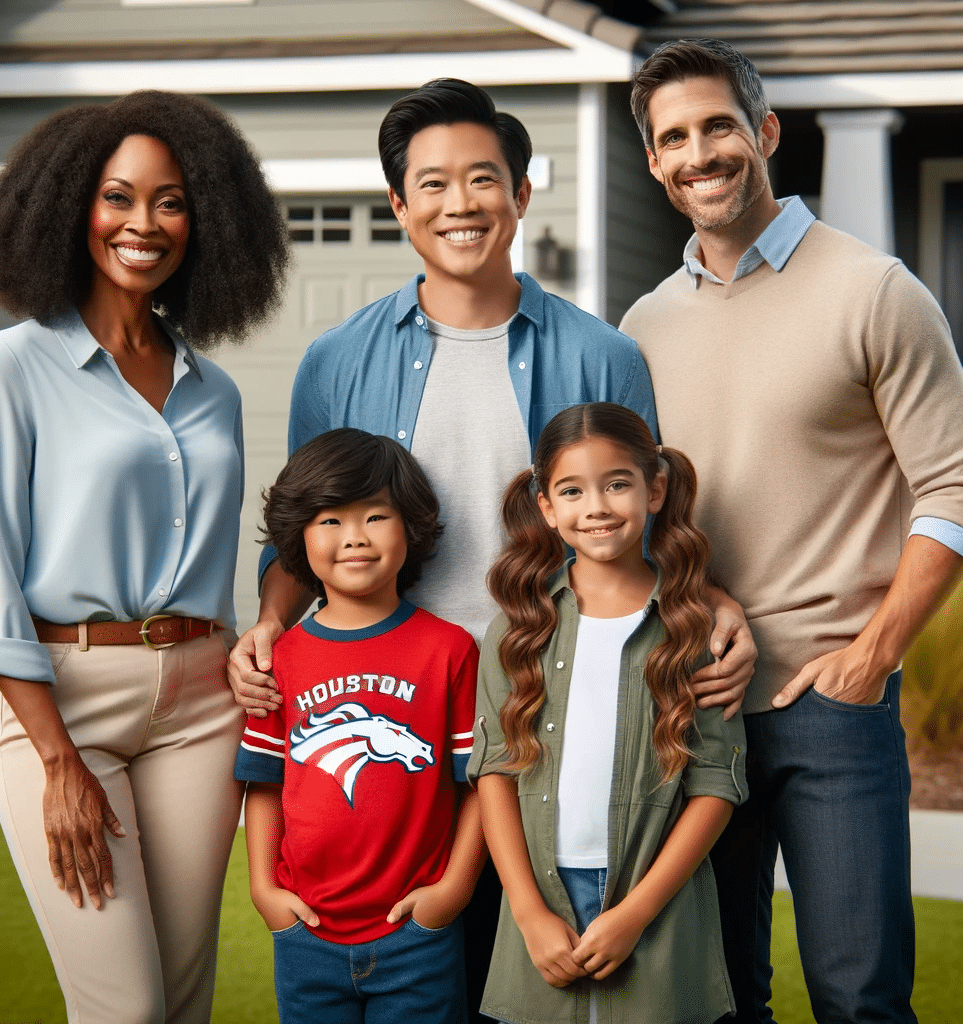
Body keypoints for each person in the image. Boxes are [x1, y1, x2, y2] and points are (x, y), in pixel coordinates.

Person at [225, 77, 755, 1021]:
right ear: (398, 204)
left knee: (530, 989)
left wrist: (717, 606)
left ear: (521, 192)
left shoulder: (603, 356)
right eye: (430, 184)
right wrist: (268, 625)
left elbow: (640, 524)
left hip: (539, 719)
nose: (458, 204)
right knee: (413, 986)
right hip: (397, 723)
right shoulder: (335, 360)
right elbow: (297, 542)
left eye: (482, 179)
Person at [621, 39, 963, 1024]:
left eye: (718, 126)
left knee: (858, 997)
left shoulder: (874, 291)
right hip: (693, 701)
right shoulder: (642, 326)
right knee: (719, 998)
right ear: (652, 162)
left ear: (763, 131)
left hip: (831, 705)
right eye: (673, 137)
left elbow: (948, 480)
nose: (700, 153)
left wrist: (874, 654)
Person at [0, 91, 288, 1024]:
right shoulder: (9, 368)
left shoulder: (211, 389)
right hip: (66, 702)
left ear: (206, 219)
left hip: (203, 703)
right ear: (70, 207)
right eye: (118, 197)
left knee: (183, 1000)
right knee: (125, 1007)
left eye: (172, 200)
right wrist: (56, 759)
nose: (144, 224)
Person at [469, 402, 746, 1024]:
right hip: (542, 897)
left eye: (616, 484)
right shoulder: (516, 633)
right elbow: (494, 773)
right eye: (572, 490)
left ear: (655, 490)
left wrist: (635, 914)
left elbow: (715, 786)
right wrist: (529, 913)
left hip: (658, 901)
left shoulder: (694, 632)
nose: (595, 506)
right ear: (547, 507)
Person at [236, 428, 484, 1024]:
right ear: (298, 534)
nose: (354, 538)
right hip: (306, 935)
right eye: (329, 520)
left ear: (412, 527)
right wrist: (264, 892)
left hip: (416, 936)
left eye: (376, 516)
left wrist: (451, 894)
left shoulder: (450, 651)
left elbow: (478, 784)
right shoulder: (281, 658)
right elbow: (265, 784)